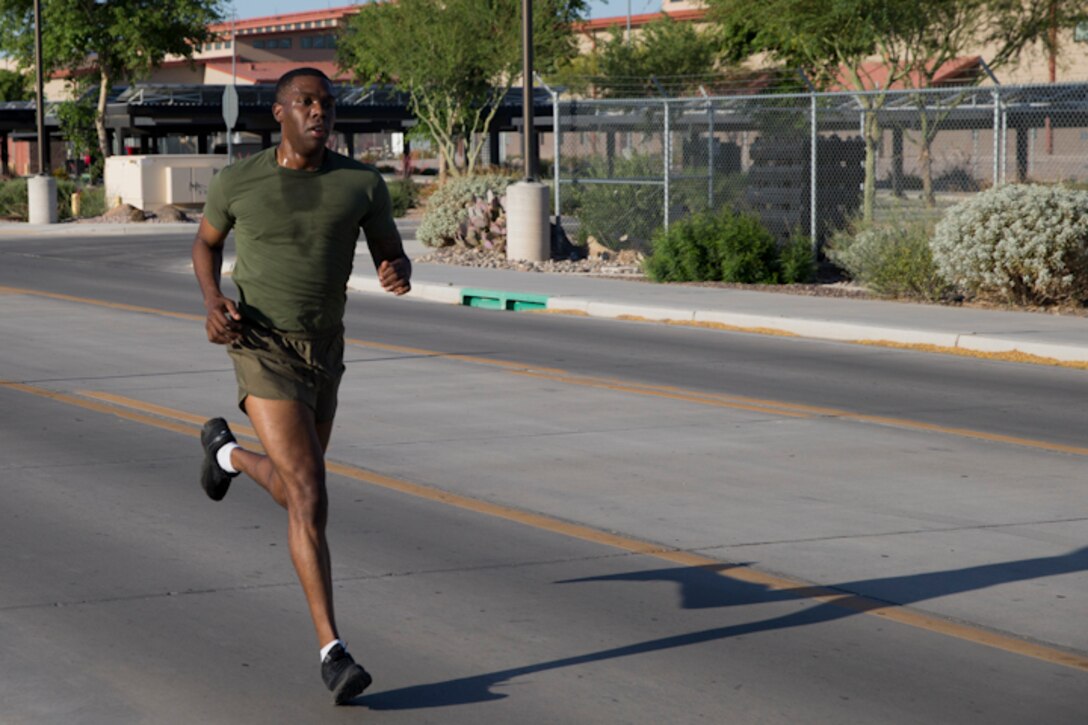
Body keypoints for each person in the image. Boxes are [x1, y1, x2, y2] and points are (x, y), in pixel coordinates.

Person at [191, 67, 411, 705]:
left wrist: (397, 269)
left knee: (295, 491)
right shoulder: (240, 181)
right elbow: (205, 246)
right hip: (260, 345)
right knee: (311, 491)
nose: (320, 112)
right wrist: (213, 301)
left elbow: (389, 252)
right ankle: (332, 651)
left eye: (327, 103)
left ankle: (225, 454)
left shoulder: (361, 183)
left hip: (326, 352)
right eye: (306, 102)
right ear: (279, 114)